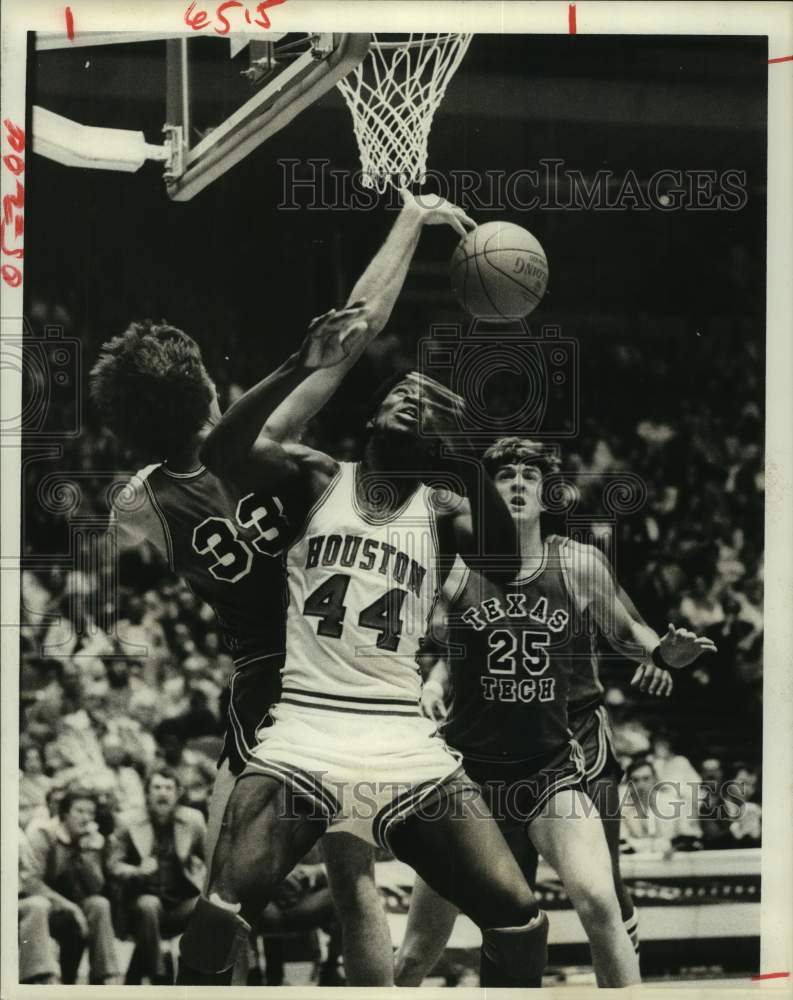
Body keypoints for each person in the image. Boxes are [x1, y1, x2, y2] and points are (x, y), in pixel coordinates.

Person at [88, 190, 472, 985]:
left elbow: (119, 521)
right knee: (353, 879)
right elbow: (355, 328)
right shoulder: (271, 440)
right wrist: (413, 218)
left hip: (263, 686)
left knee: (225, 895)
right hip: (336, 668)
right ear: (204, 389)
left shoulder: (138, 505)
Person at [176, 315, 553, 986]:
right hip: (305, 729)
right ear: (372, 420)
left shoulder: (442, 512)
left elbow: (506, 559)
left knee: (518, 916)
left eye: (424, 398)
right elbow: (221, 455)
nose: (410, 394)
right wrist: (299, 360)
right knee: (219, 914)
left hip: (400, 739)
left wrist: (465, 456)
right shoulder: (317, 478)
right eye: (397, 392)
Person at [393, 437, 715, 988]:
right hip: (468, 776)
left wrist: (664, 652)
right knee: (419, 948)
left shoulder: (576, 562)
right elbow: (457, 646)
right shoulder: (454, 566)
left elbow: (629, 633)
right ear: (485, 494)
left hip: (548, 768)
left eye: (529, 476)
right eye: (503, 477)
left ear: (546, 494)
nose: (517, 484)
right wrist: (435, 680)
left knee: (599, 901)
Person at [108, 769, 206, 983]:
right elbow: (113, 865)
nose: (163, 793)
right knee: (149, 905)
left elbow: (212, 859)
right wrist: (136, 870)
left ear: (178, 793)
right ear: (147, 793)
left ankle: (200, 976)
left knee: (208, 905)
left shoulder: (193, 820)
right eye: (157, 788)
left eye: (168, 788)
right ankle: (159, 975)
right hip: (140, 905)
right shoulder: (128, 821)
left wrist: (208, 880)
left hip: (179, 903)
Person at [25, 788, 121, 984]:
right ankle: (43, 978)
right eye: (80, 811)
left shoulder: (89, 840)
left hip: (73, 909)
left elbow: (96, 888)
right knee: (56, 912)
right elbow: (32, 882)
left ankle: (103, 977)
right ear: (65, 813)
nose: (86, 818)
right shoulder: (44, 834)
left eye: (90, 813)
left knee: (99, 904)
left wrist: (89, 852)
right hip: (46, 908)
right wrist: (70, 907)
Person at [621, 757, 703, 854]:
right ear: (629, 783)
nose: (641, 785)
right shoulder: (623, 811)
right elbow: (623, 844)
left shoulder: (675, 805)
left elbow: (689, 839)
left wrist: (673, 845)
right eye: (635, 780)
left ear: (655, 779)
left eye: (646, 779)